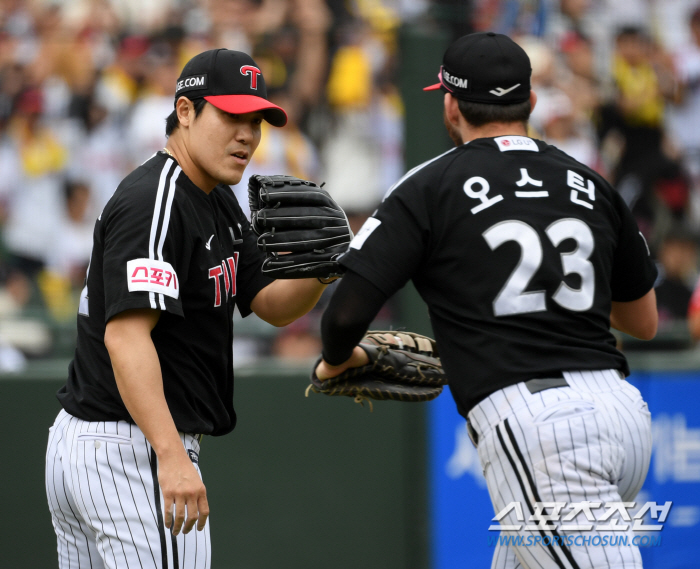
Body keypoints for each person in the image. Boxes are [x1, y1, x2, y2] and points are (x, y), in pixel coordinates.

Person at [316, 33, 658, 569]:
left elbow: (345, 314)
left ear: (451, 105)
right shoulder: (590, 181)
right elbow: (644, 320)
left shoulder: (431, 184)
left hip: (542, 428)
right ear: (532, 102)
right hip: (625, 415)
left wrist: (339, 358)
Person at [45, 48, 335, 569]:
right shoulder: (154, 198)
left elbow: (269, 304)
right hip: (131, 446)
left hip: (108, 442)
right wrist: (172, 457)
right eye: (231, 116)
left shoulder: (214, 196)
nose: (247, 134)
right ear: (185, 112)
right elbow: (126, 337)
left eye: (257, 120)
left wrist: (324, 268)